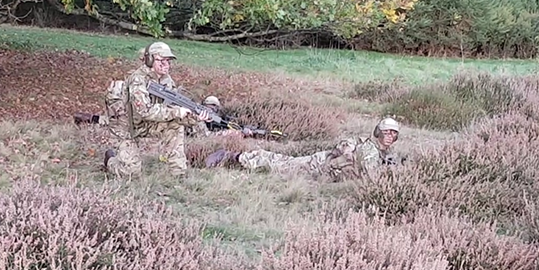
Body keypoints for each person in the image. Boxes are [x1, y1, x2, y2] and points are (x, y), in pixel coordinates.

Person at [103, 42, 210, 177]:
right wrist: (176, 112)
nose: (167, 65)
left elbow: (173, 109)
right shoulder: (138, 79)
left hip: (147, 123)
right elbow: (144, 110)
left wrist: (195, 117)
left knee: (176, 124)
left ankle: (178, 172)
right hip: (126, 128)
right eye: (162, 60)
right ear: (150, 60)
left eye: (168, 61)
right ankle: (110, 159)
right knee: (131, 173)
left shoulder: (166, 80)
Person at [206, 117, 401, 181]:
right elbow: (370, 177)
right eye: (387, 132)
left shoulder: (378, 150)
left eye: (394, 134)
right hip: (318, 166)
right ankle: (233, 157)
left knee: (281, 162)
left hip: (324, 170)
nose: (390, 136)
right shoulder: (370, 150)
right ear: (378, 132)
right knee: (279, 165)